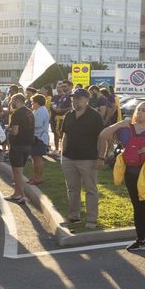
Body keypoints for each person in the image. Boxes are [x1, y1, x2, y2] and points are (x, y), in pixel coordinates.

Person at [99, 101, 145, 256]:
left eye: (144, 110)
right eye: (138, 109)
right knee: (137, 207)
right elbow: (103, 135)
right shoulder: (126, 128)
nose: (139, 112)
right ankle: (141, 241)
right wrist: (119, 124)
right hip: (131, 173)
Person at [58, 89, 104, 228]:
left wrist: (101, 157)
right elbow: (65, 135)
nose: (75, 101)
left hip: (88, 159)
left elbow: (102, 139)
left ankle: (91, 220)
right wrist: (62, 152)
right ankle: (73, 216)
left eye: (78, 98)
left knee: (90, 190)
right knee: (72, 189)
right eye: (74, 98)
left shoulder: (95, 116)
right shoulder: (69, 115)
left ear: (86, 100)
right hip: (68, 158)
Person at [6, 93, 36, 205]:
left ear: (18, 100)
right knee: (19, 170)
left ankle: (22, 195)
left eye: (12, 100)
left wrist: (8, 129)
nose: (11, 102)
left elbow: (15, 131)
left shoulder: (17, 114)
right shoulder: (29, 112)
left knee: (17, 172)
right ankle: (16, 193)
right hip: (27, 144)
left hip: (18, 145)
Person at [29, 94, 52, 185]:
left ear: (37, 103)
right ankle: (35, 176)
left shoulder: (41, 111)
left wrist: (27, 126)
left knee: (37, 159)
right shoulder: (39, 110)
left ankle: (38, 178)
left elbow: (37, 125)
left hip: (39, 138)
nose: (31, 104)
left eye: (32, 102)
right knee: (35, 158)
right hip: (37, 138)